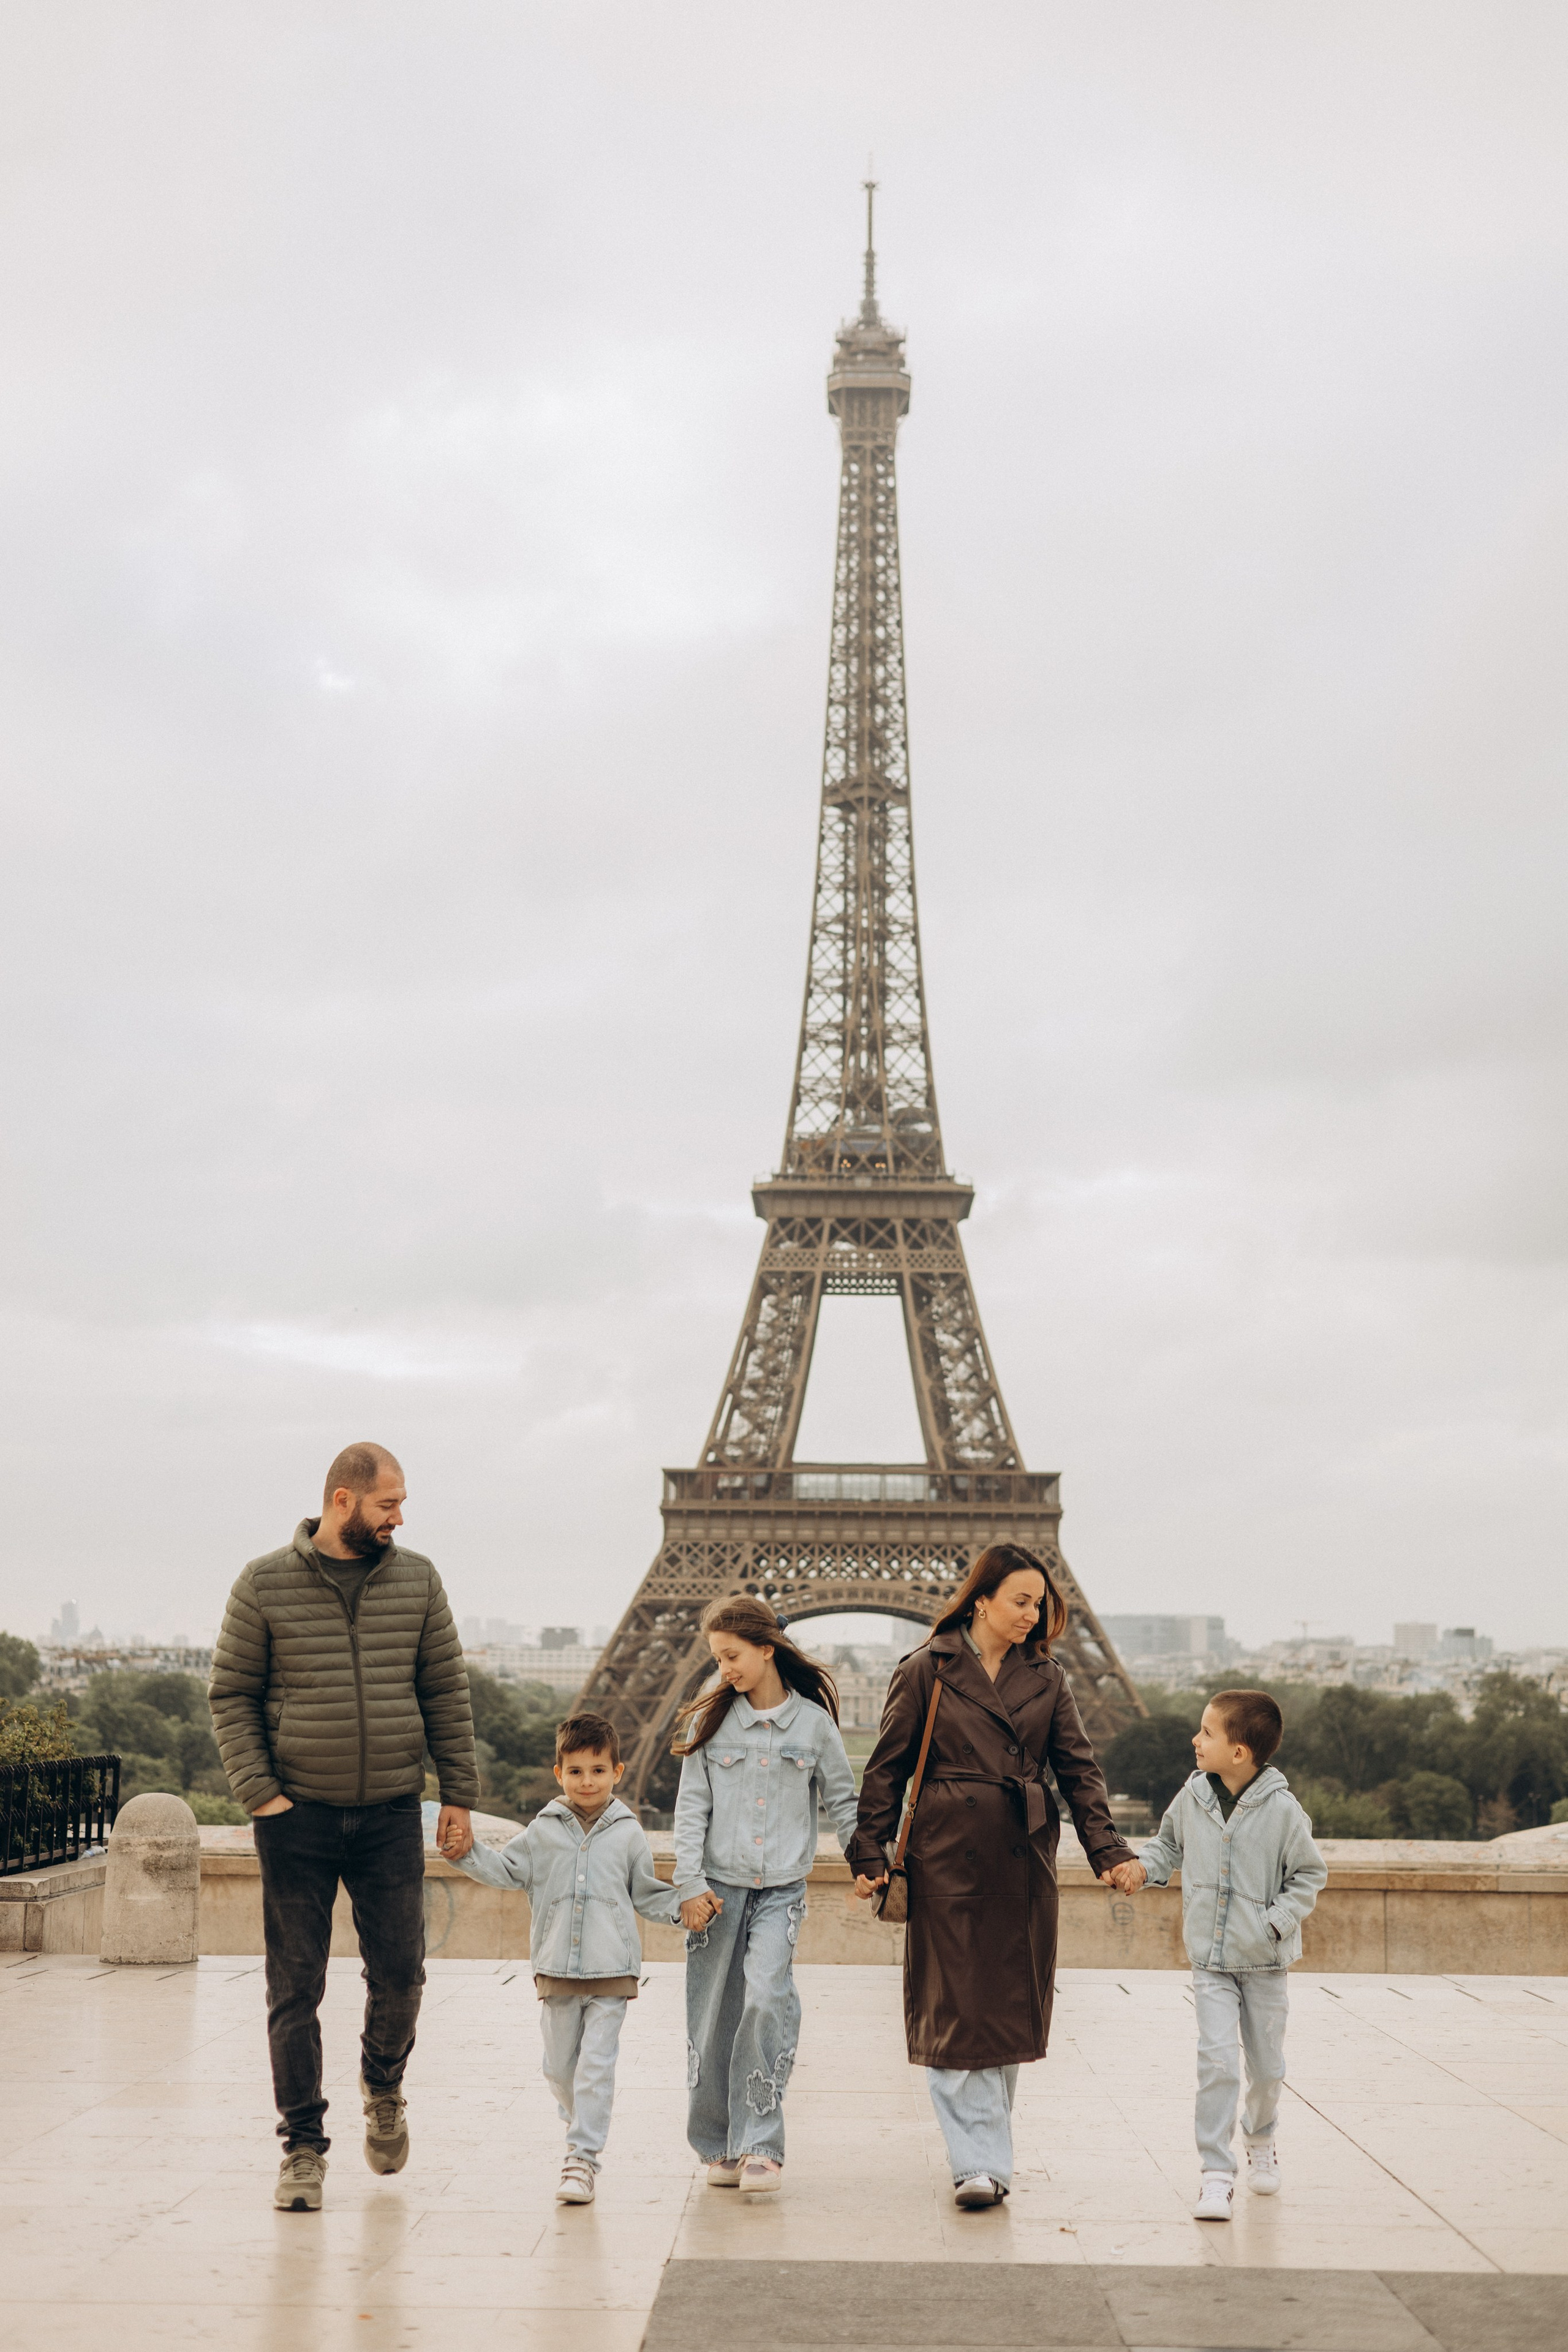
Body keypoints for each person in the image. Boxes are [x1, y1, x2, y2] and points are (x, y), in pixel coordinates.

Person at [208, 1442, 479, 2213]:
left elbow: (445, 1690)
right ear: (343, 1501)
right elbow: (231, 1694)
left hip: (391, 1811)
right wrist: (260, 1794)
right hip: (295, 1817)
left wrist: (458, 1792)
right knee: (295, 1987)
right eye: (389, 1504)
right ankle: (302, 2147)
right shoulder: (263, 1582)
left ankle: (382, 2084)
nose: (400, 1518)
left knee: (402, 1974)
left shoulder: (419, 1579)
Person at [849, 1544, 1134, 2208]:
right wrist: (869, 1851)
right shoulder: (925, 1669)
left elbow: (1078, 1770)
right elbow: (887, 1767)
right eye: (1020, 1601)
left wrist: (1107, 1848)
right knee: (957, 2008)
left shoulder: (1049, 1677)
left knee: (1002, 2009)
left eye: (1039, 1604)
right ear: (981, 1600)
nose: (1032, 1615)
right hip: (946, 1852)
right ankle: (979, 2163)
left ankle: (985, 2156)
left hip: (1021, 1851)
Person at [1107, 1689, 1326, 2219]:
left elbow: (1308, 1875)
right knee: (1218, 2062)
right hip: (1210, 1960)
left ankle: (1260, 2135)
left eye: (1207, 1732)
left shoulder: (1284, 1812)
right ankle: (1216, 2173)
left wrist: (1273, 1923)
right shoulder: (1192, 1796)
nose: (1195, 1739)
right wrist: (1141, 1868)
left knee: (1268, 2069)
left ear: (1240, 1752)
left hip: (1265, 1963)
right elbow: (1167, 1846)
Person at [448, 1711, 680, 2204]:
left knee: (595, 2067)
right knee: (558, 2070)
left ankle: (582, 2158)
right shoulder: (542, 1832)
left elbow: (646, 1893)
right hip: (555, 1969)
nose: (587, 1781)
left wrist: (688, 1908)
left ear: (617, 1772)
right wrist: (465, 1853)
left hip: (612, 1970)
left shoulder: (629, 1834)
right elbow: (507, 1871)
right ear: (559, 1774)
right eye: (576, 1771)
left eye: (598, 1770)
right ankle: (583, 2122)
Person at [671, 1596, 859, 2196]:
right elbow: (690, 1809)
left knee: (766, 1998)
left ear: (767, 1649)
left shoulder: (814, 1725)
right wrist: (689, 1884)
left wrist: (866, 1864)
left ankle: (760, 2143)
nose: (723, 1669)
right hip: (715, 1893)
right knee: (712, 2019)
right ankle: (720, 2144)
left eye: (731, 1656)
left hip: (781, 1892)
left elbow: (845, 1803)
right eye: (717, 1659)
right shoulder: (711, 1722)